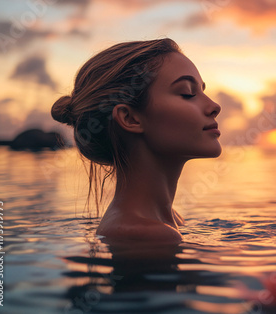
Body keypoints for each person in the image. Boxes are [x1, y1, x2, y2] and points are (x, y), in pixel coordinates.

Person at [51, 38, 222, 244]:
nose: (214, 106)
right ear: (130, 118)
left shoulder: (172, 221)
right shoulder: (149, 234)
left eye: (203, 91)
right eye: (187, 93)